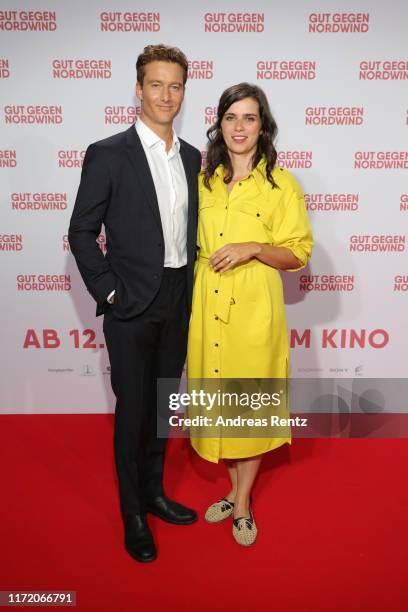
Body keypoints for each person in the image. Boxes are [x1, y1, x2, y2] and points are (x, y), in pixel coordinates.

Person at [68, 44, 202, 563]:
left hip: (178, 297)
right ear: (138, 88)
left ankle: (154, 492)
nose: (165, 95)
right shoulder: (107, 153)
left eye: (175, 86)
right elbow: (82, 231)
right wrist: (108, 289)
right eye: (156, 84)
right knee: (133, 411)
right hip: (130, 303)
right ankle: (132, 514)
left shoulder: (192, 157)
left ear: (184, 92)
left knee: (165, 406)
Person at [187, 83, 313, 546]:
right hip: (207, 302)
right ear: (219, 124)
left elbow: (298, 254)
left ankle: (241, 503)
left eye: (250, 118)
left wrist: (254, 248)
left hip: (254, 305)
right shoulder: (201, 180)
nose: (239, 127)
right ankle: (233, 488)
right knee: (220, 398)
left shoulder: (282, 184)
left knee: (250, 407)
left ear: (264, 127)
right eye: (231, 117)